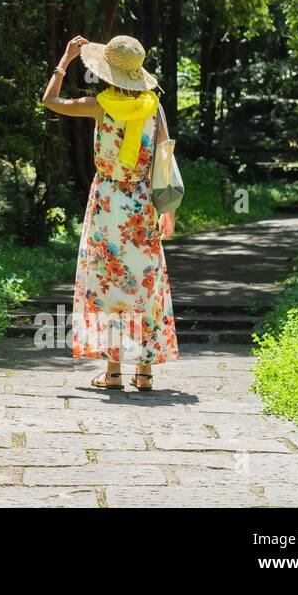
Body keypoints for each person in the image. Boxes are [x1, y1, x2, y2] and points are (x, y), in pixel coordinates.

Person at [41, 34, 179, 390]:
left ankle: (114, 371)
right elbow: (164, 158)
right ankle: (145, 372)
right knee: (146, 284)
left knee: (108, 284)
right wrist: (169, 211)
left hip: (107, 203)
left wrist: (65, 60)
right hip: (143, 205)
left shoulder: (100, 105)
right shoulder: (154, 108)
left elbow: (50, 100)